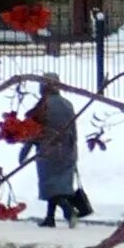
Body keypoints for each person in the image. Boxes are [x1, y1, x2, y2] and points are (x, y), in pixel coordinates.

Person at [24, 73, 84, 229]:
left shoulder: (42, 105)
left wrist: (25, 150)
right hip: (67, 151)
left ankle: (68, 211)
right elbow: (74, 131)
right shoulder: (68, 104)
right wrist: (73, 151)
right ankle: (50, 218)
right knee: (59, 186)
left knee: (50, 186)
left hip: (48, 152)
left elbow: (33, 130)